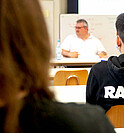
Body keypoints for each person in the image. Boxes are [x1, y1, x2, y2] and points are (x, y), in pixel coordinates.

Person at [0, 0, 115, 133]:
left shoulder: (95, 41)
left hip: (89, 70)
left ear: (85, 29)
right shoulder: (92, 123)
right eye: (75, 28)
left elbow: (104, 53)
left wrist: (100, 54)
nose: (76, 30)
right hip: (71, 69)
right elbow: (61, 51)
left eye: (79, 28)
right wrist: (69, 54)